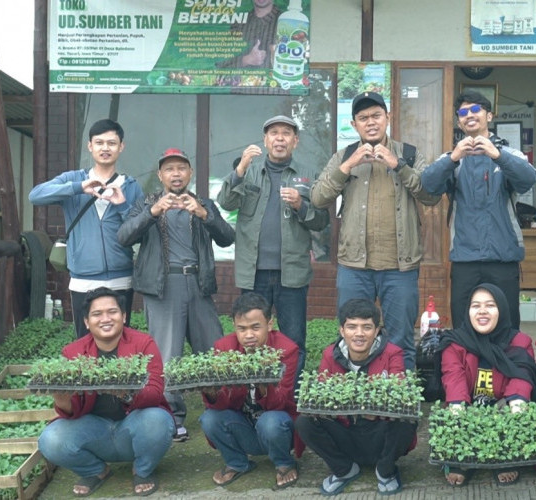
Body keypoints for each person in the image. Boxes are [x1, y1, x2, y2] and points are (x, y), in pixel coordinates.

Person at [311, 92, 441, 370]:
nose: (370, 122)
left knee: (400, 340)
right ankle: (351, 405)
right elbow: (318, 198)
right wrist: (347, 166)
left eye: (376, 116)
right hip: (354, 267)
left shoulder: (409, 154)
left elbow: (431, 195)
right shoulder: (344, 156)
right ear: (354, 124)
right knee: (352, 339)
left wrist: (398, 165)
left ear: (388, 118)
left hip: (400, 268)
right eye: (363, 118)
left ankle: (399, 409)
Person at [117, 148, 235, 442]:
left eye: (181, 168)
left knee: (214, 350)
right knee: (168, 355)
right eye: (169, 169)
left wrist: (204, 215)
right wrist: (152, 213)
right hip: (163, 286)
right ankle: (173, 417)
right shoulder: (146, 202)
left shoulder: (203, 203)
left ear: (190, 173)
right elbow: (124, 236)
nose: (176, 174)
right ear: (161, 176)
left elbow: (227, 237)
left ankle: (222, 411)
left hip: (198, 283)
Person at [217, 115, 329, 379]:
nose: (280, 138)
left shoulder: (309, 174)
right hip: (253, 273)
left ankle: (288, 395)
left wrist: (301, 206)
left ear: (295, 141)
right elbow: (225, 202)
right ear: (265, 140)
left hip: (292, 273)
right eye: (274, 133)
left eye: (286, 133)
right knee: (251, 336)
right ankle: (253, 391)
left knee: (293, 339)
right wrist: (241, 168)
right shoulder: (249, 170)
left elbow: (322, 221)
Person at [37, 287, 174, 497]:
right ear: (86, 321)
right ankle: (96, 471)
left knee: (158, 420)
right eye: (97, 314)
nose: (105, 319)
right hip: (95, 431)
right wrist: (62, 400)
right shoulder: (73, 352)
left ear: (124, 316)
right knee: (50, 439)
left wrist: (125, 393)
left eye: (112, 312)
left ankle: (142, 470)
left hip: (134, 426)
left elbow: (155, 393)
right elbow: (70, 411)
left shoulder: (143, 343)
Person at [421, 90, 536, 329]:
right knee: (464, 325)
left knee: (506, 325)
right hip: (465, 258)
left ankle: (506, 367)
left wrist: (497, 155)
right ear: (459, 121)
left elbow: (528, 179)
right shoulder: (452, 159)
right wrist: (453, 157)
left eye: (476, 110)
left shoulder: (509, 155)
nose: (469, 115)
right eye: (463, 112)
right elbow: (428, 185)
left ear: (489, 116)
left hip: (503, 258)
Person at [29, 119, 144, 338]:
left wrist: (122, 206)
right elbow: (35, 196)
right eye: (99, 142)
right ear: (90, 146)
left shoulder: (130, 186)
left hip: (121, 277)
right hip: (83, 278)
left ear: (121, 146)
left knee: (121, 339)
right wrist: (78, 188)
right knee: (86, 341)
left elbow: (138, 232)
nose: (105, 148)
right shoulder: (73, 179)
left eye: (111, 143)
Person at [295, 298, 417, 496]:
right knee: (304, 421)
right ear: (342, 330)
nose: (359, 334)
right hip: (346, 432)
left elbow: (399, 390)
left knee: (408, 418)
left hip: (380, 433)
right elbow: (321, 394)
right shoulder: (330, 354)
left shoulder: (393, 353)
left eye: (366, 327)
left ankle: (385, 470)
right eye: (352, 327)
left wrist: (372, 406)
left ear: (377, 330)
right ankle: (344, 469)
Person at [439, 283, 536, 487]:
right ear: (468, 311)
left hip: (502, 407)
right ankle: (462, 461)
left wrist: (517, 401)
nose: (482, 311)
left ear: (501, 310)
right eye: (475, 306)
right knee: (452, 410)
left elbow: (522, 374)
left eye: (490, 305)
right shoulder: (456, 341)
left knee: (516, 408)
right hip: (468, 407)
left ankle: (504, 458)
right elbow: (453, 375)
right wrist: (457, 406)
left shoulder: (519, 341)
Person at [199, 292, 301, 490]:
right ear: (234, 327)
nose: (248, 335)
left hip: (277, 429)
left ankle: (284, 462)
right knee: (209, 418)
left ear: (269, 324)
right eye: (242, 329)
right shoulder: (224, 348)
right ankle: (237, 462)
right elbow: (222, 406)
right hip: (243, 426)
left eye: (256, 327)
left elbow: (281, 401)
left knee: (270, 421)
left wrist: (264, 384)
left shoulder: (287, 349)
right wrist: (212, 392)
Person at [217, 0, 281, 68]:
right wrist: (246, 60)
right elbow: (220, 63)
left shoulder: (286, 20)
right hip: (241, 77)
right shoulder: (239, 23)